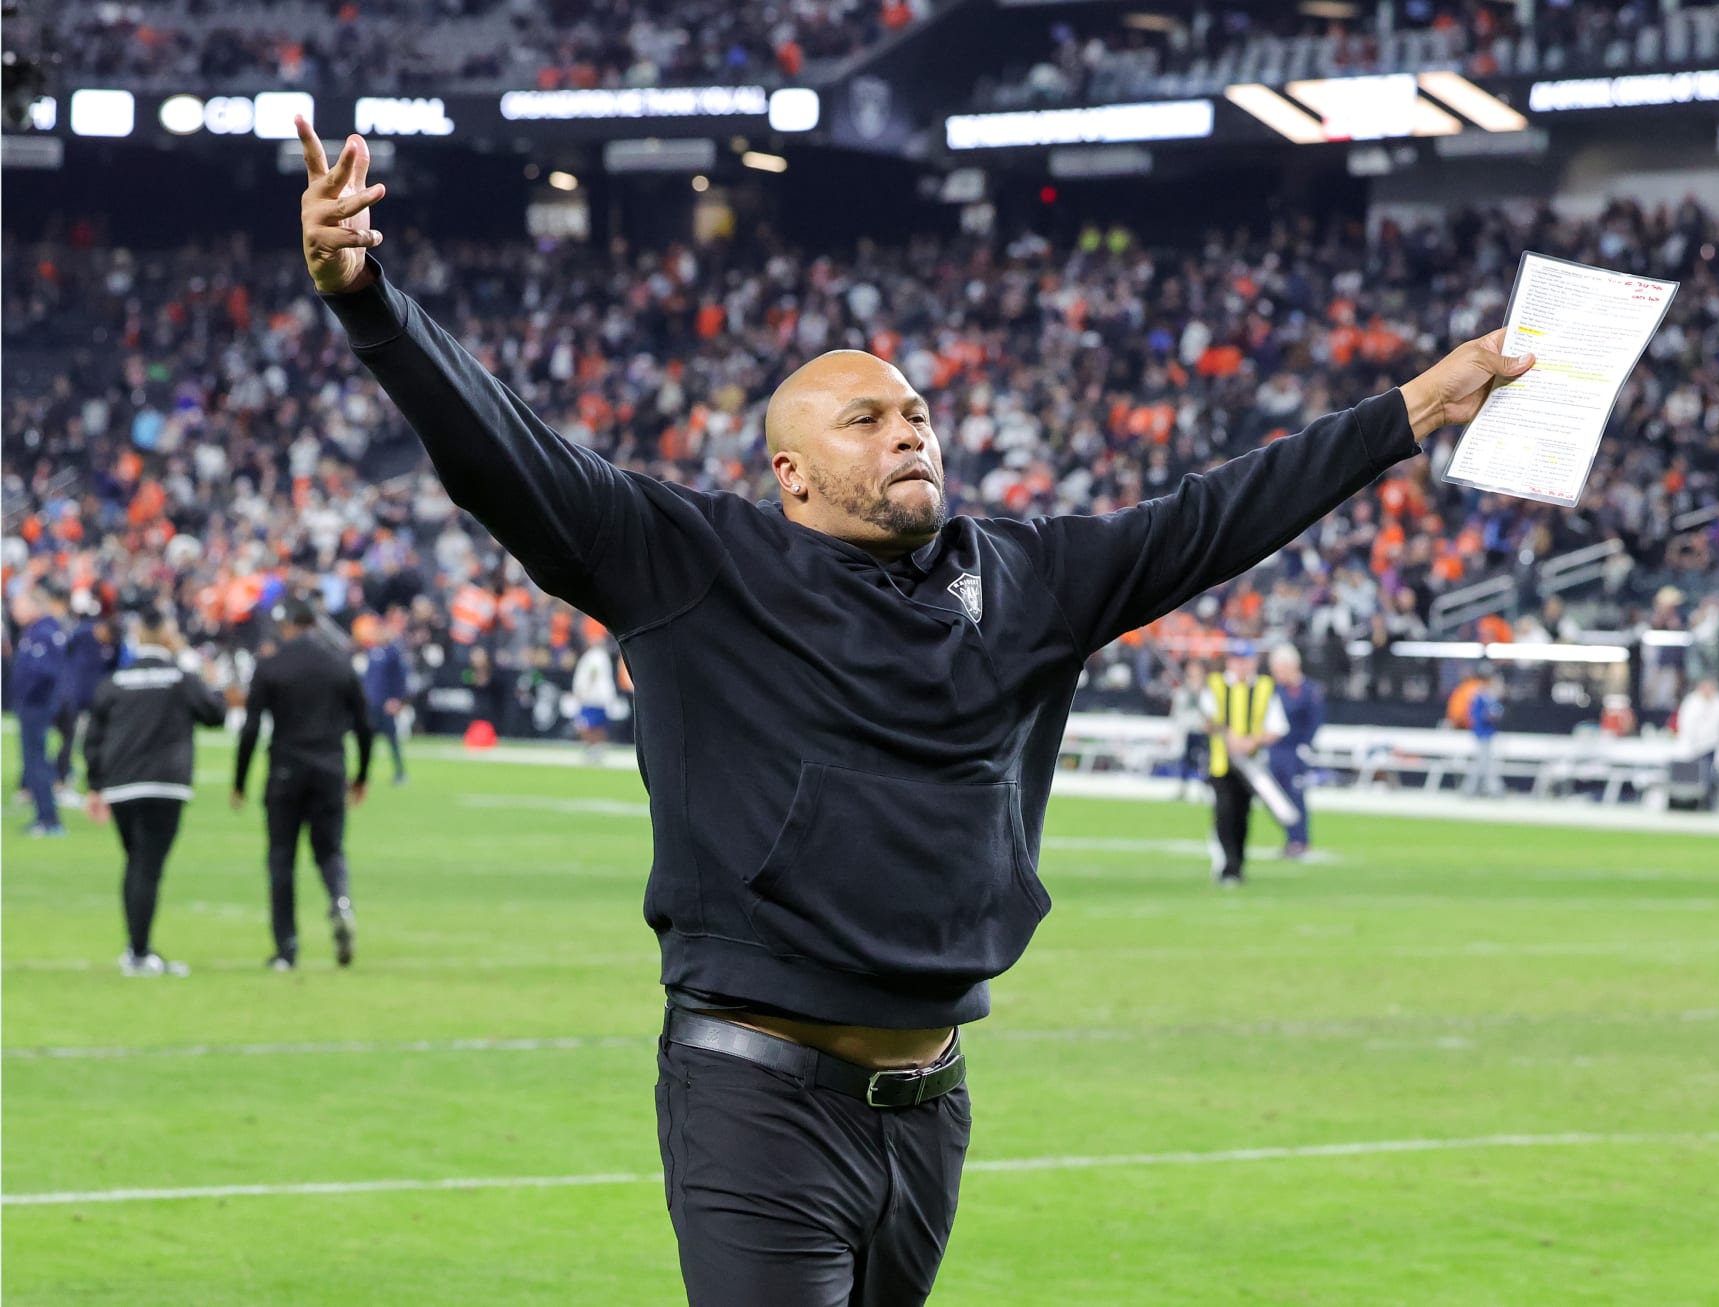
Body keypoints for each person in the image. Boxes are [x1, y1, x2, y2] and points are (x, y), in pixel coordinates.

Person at [298, 120, 1536, 1307]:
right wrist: (369, 303)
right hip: (757, 1096)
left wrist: (1419, 407)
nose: (910, 432)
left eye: (919, 414)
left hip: (932, 1100)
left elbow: (1214, 517)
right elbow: (504, 452)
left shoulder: (1026, 575)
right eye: (868, 419)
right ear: (790, 472)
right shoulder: (695, 563)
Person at [82, 609, 228, 977]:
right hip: (165, 785)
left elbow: (94, 736)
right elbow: (215, 714)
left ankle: (136, 949)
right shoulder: (181, 677)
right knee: (147, 868)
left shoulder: (116, 680)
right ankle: (139, 952)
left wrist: (95, 786)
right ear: (167, 636)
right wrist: (211, 679)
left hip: (122, 786)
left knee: (135, 865)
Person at [232, 597, 373, 970]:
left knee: (282, 857)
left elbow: (250, 729)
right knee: (330, 851)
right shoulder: (340, 665)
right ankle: (341, 902)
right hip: (330, 767)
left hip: (285, 769)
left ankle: (287, 948)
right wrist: (361, 775)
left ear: (289, 625)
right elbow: (364, 725)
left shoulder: (272, 665)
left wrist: (240, 781)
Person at [1198, 641, 1289, 884]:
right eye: (1236, 659)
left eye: (1245, 660)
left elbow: (1277, 727)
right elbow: (1205, 720)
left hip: (1251, 766)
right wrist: (1226, 735)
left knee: (1242, 815)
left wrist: (1251, 741)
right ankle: (1228, 866)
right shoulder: (1215, 685)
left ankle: (1238, 863)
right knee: (1224, 812)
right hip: (1222, 764)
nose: (1241, 665)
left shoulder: (1264, 687)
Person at [10, 586, 70, 838]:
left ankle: (48, 818)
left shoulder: (43, 631)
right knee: (33, 760)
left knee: (36, 761)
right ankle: (44, 816)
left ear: (34, 606)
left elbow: (44, 672)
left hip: (36, 705)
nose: (15, 610)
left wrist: (26, 695)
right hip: (34, 704)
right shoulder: (39, 629)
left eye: (20, 604)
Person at [55, 592, 114, 806]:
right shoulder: (81, 635)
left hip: (89, 703)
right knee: (69, 742)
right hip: (72, 701)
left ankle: (71, 779)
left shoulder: (105, 645)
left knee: (83, 743)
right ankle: (61, 782)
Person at [1267, 643, 1324, 858]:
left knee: (1296, 796)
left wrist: (1305, 745)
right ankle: (1290, 838)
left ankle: (1300, 840)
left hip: (1295, 750)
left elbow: (1314, 722)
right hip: (1275, 749)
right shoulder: (1274, 689)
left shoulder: (1310, 690)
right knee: (1278, 799)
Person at [355, 613, 410, 784]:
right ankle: (364, 773)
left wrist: (396, 699)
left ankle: (400, 772)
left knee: (391, 739)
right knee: (367, 740)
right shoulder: (372, 652)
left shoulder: (393, 653)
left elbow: (400, 679)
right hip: (372, 703)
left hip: (386, 703)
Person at [1674, 675, 1719, 808]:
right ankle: (1689, 803)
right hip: (1693, 747)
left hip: (1713, 747)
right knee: (1693, 779)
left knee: (1712, 777)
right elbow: (1686, 725)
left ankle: (1709, 802)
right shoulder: (1692, 702)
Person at [572, 628, 622, 760]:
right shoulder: (600, 655)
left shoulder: (595, 655)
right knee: (596, 725)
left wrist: (585, 691)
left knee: (588, 725)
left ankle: (594, 748)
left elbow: (593, 674)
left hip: (593, 698)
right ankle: (595, 748)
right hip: (599, 698)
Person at [1168, 658, 1210, 801]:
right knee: (1185, 761)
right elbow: (1177, 712)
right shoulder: (1182, 690)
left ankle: (1203, 790)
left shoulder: (1207, 689)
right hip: (1187, 730)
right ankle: (1183, 788)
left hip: (1202, 730)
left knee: (1203, 761)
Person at [1461, 668, 1505, 798]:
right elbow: (1474, 716)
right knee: (1482, 763)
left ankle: (1483, 789)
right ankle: (1474, 790)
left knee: (1485, 763)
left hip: (1489, 734)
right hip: (1481, 734)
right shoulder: (1479, 696)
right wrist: (1487, 716)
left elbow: (1498, 712)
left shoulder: (1491, 697)